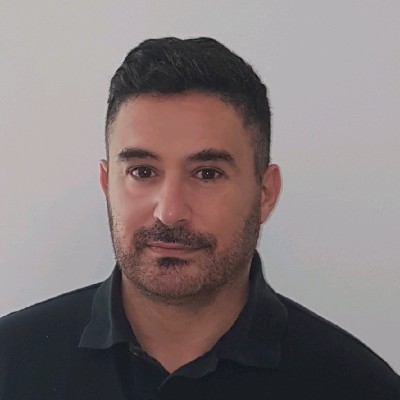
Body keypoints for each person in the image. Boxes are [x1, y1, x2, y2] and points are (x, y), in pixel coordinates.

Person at [0, 37, 399, 400]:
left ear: (265, 193)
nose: (170, 212)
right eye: (142, 171)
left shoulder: (359, 386)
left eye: (207, 174)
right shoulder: (10, 363)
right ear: (107, 183)